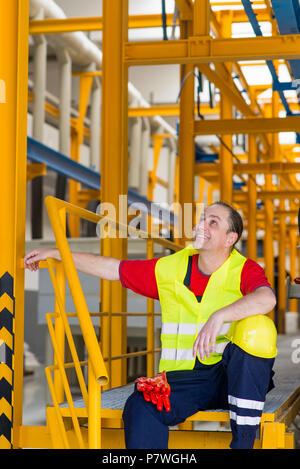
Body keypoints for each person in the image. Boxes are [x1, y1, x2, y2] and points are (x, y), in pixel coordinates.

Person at [24, 201, 277, 450]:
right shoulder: (171, 268)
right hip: (186, 380)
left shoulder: (244, 269)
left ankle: (243, 445)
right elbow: (115, 269)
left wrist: (220, 315)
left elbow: (267, 298)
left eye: (213, 222)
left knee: (260, 328)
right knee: (141, 405)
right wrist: (59, 253)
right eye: (202, 219)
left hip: (233, 377)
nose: (202, 225)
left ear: (230, 238)